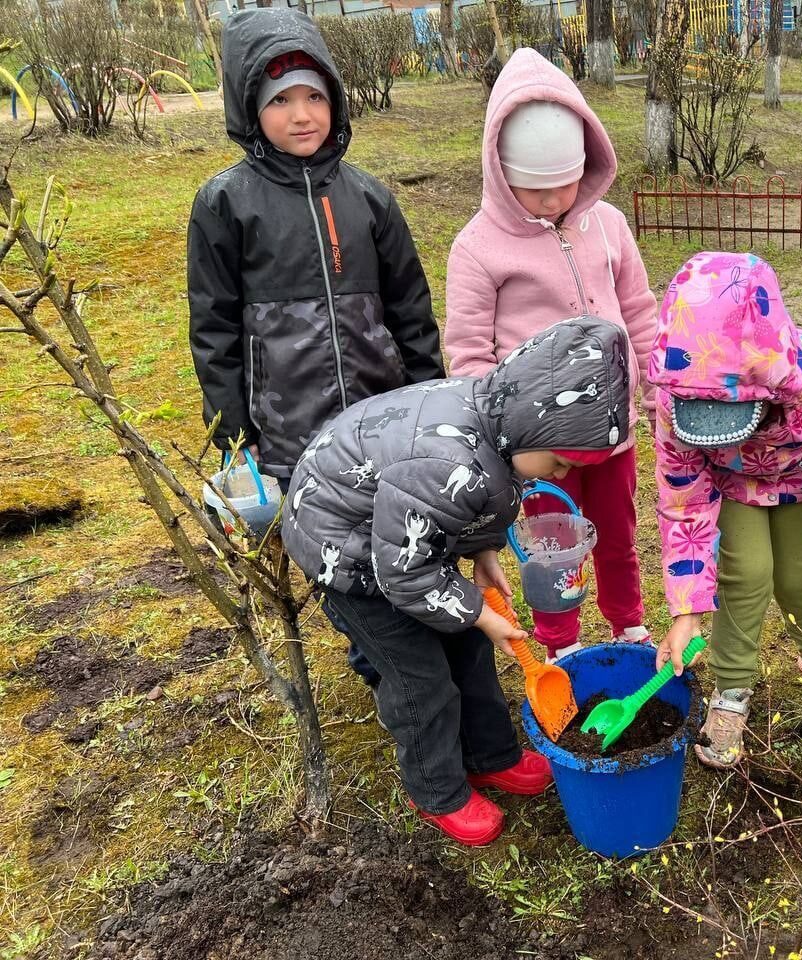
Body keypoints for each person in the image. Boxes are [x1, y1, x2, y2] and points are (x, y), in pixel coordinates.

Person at [281, 316, 631, 846]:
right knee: (421, 680)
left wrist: (483, 552)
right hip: (349, 554)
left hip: (410, 544)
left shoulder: (500, 429)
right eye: (559, 462)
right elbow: (402, 570)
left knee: (471, 652)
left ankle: (491, 756)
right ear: (530, 429)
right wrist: (478, 612)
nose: (560, 476)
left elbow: (465, 510)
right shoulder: (446, 460)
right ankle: (437, 791)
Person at [187, 8, 442, 689]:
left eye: (314, 96)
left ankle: (405, 641)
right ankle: (377, 654)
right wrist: (234, 434)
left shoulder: (367, 198)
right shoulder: (225, 204)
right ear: (249, 106)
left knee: (392, 532)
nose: (302, 115)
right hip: (290, 427)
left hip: (380, 418)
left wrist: (430, 403)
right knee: (334, 548)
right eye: (280, 100)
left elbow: (411, 311)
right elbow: (213, 325)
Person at [444, 48, 657, 663]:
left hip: (613, 434)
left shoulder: (609, 225)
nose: (553, 200)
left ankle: (627, 624)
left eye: (566, 183)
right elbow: (468, 354)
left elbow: (639, 309)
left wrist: (653, 388)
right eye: (534, 189)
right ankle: (560, 640)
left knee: (618, 535)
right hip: (537, 449)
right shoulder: (478, 248)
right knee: (549, 546)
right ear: (500, 172)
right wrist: (501, 436)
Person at [649, 252, 802, 768]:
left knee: (798, 573)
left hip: (800, 481)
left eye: (737, 414)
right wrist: (687, 608)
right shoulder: (675, 404)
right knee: (747, 575)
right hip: (732, 487)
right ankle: (733, 689)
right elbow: (683, 506)